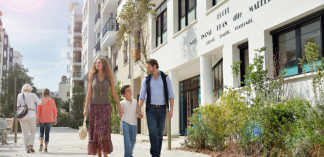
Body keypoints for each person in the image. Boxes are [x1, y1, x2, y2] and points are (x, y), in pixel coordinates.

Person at [83, 57, 123, 157]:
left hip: (106, 107)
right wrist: (85, 107)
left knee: (104, 130)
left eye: (99, 62)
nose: (97, 64)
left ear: (103, 64)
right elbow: (89, 93)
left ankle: (105, 154)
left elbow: (114, 93)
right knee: (96, 131)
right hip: (94, 107)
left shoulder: (110, 77)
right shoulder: (92, 76)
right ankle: (99, 154)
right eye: (96, 63)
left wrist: (119, 106)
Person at [137, 59, 175, 157]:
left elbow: (171, 95)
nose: (147, 69)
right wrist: (138, 109)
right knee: (153, 132)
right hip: (150, 109)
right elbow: (142, 96)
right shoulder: (146, 80)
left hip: (162, 109)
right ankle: (155, 155)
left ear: (155, 66)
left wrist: (171, 110)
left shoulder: (166, 78)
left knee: (160, 133)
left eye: (149, 67)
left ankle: (156, 154)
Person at [17, 84, 52, 153]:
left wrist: (18, 116)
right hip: (31, 114)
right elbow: (40, 103)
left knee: (25, 133)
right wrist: (48, 99)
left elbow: (18, 106)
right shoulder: (33, 95)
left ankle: (27, 149)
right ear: (30, 89)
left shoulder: (19, 95)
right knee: (32, 130)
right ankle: (30, 145)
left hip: (22, 115)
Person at [37, 88, 58, 153]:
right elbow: (55, 110)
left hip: (42, 119)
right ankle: (45, 148)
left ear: (43, 94)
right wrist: (55, 119)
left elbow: (38, 112)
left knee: (41, 131)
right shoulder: (52, 101)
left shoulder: (40, 101)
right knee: (47, 133)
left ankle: (41, 144)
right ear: (49, 93)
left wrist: (38, 120)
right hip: (49, 119)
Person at [120, 85, 138, 157]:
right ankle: (128, 156)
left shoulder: (135, 101)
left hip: (133, 123)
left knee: (133, 141)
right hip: (125, 122)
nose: (130, 92)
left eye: (130, 90)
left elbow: (136, 112)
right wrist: (120, 114)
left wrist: (139, 114)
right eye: (128, 91)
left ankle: (129, 154)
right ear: (124, 94)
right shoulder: (122, 103)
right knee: (127, 141)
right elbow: (120, 114)